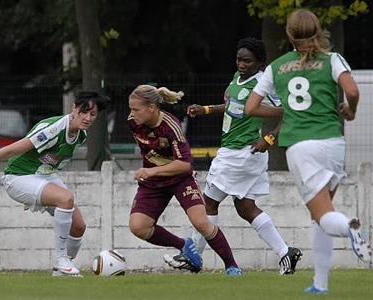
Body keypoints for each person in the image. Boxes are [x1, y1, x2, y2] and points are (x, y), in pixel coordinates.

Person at [245, 9, 372, 294]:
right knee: (320, 215)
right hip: (333, 142)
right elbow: (352, 92)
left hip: (302, 146)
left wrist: (284, 110)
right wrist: (350, 112)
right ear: (318, 31)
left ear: (288, 35)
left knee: (325, 216)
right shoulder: (333, 60)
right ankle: (320, 283)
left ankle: (350, 227)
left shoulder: (277, 66)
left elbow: (251, 108)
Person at [164, 37, 302, 275]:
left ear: (260, 63)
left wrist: (269, 139)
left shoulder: (262, 84)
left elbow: (289, 112)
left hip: (240, 153)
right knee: (246, 207)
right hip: (241, 154)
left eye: (247, 61)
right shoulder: (238, 79)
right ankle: (285, 252)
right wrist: (206, 109)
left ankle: (192, 255)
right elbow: (231, 106)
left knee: (208, 203)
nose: (241, 64)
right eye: (239, 59)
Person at [0, 91, 108, 277]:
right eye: (84, 111)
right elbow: (9, 150)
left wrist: (38, 195)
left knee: (78, 227)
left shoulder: (80, 135)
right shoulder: (52, 129)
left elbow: (51, 164)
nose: (87, 118)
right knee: (66, 198)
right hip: (18, 176)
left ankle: (61, 270)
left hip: (42, 176)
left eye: (92, 114)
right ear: (74, 108)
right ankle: (60, 260)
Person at [128, 84, 242, 276]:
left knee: (201, 222)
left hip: (180, 180)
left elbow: (185, 165)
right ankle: (185, 246)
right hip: (153, 183)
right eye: (131, 109)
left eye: (136, 109)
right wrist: (152, 173)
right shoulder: (133, 122)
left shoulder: (171, 126)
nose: (132, 114)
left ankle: (232, 266)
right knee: (138, 227)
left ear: (152, 108)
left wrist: (152, 171)